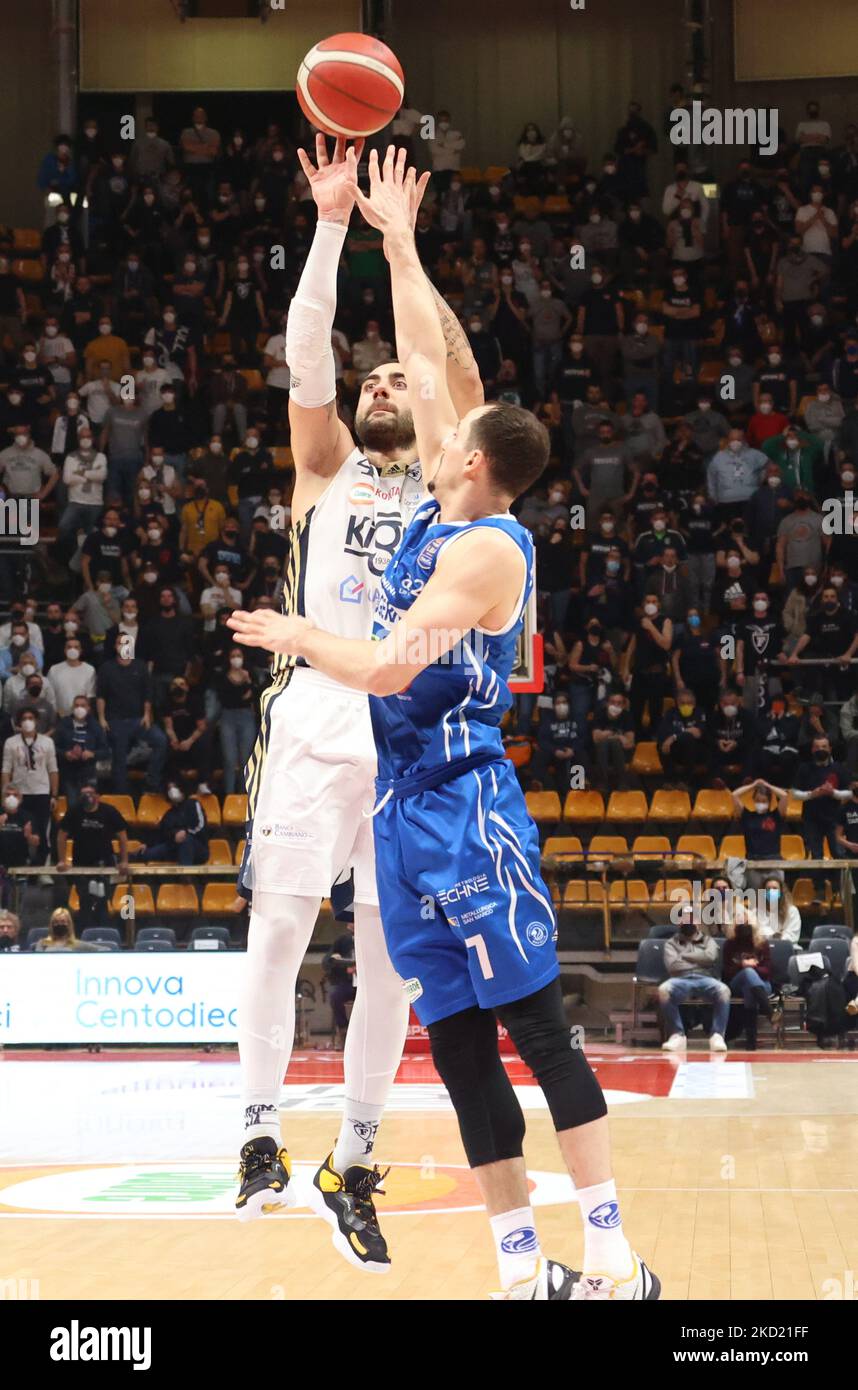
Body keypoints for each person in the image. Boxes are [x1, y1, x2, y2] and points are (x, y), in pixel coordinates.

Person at [229, 146, 660, 1303]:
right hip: (387, 778)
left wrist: (294, 634)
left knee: (513, 1023)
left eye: (425, 409)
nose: (406, 397)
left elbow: (445, 368)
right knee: (441, 1031)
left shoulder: (473, 529)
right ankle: (514, 1263)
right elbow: (394, 357)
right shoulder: (376, 482)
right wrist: (383, 242)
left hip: (445, 776)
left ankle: (605, 1253)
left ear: (464, 455)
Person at [227, 136, 483, 1274]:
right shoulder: (323, 464)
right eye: (371, 379)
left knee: (391, 963)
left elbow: (455, 377)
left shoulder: (444, 467)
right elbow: (304, 357)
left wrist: (402, 244)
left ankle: (356, 1157)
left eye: (394, 379)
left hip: (405, 727)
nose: (383, 383)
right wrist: (331, 225)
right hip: (317, 714)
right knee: (280, 930)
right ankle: (257, 1136)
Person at [56, 781, 129, 929]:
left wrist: (124, 861)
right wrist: (62, 860)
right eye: (83, 794)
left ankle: (103, 933)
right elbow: (61, 835)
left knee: (102, 900)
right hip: (81, 864)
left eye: (90, 794)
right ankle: (85, 933)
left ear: (98, 796)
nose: (87, 797)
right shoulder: (74, 811)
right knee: (85, 900)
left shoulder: (109, 811)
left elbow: (122, 836)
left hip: (104, 863)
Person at [659, 907, 730, 1053]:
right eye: (685, 918)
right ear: (679, 922)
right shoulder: (670, 943)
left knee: (724, 990)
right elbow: (672, 965)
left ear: (698, 922)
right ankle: (677, 1035)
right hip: (680, 979)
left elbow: (710, 958)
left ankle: (717, 1035)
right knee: (663, 990)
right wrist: (699, 958)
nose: (689, 921)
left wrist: (684, 955)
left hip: (705, 978)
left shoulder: (708, 940)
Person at [722, 912, 774, 1050]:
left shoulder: (762, 944)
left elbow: (768, 971)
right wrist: (742, 965)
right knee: (747, 975)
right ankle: (769, 1011)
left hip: (763, 984)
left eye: (746, 923)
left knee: (750, 987)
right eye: (740, 923)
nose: (743, 926)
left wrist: (753, 967)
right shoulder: (729, 944)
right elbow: (727, 972)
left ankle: (751, 1041)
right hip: (736, 983)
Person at [133, 781, 209, 865]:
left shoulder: (193, 804)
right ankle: (121, 861)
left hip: (197, 848)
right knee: (146, 853)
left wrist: (186, 832)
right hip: (174, 847)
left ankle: (186, 875)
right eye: (169, 788)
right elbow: (161, 834)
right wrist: (147, 845)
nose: (172, 791)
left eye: (174, 787)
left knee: (186, 841)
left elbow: (201, 826)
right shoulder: (169, 814)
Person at [732, 779, 788, 860]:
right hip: (752, 860)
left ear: (769, 802)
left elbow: (784, 795)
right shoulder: (747, 816)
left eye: (764, 801)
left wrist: (768, 785)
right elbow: (734, 795)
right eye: (758, 800)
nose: (760, 803)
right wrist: (753, 786)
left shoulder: (776, 815)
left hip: (773, 860)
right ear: (754, 800)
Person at [324, 925, 357, 1049]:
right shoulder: (342, 940)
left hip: (369, 984)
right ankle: (343, 1032)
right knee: (335, 997)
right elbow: (327, 962)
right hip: (348, 983)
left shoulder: (374, 937)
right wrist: (345, 969)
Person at [34, 907, 98, 953]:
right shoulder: (42, 944)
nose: (59, 924)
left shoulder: (77, 944)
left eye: (63, 922)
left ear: (69, 924)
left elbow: (103, 950)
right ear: (52, 925)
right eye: (56, 922)